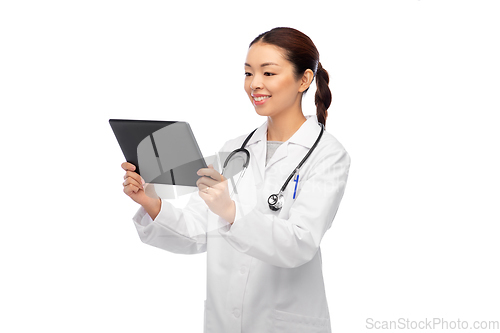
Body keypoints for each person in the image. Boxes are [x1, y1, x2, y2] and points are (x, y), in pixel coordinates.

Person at [121, 27, 351, 333]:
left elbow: (299, 243)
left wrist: (230, 210)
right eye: (248, 73)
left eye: (268, 73)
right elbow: (196, 234)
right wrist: (150, 203)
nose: (255, 84)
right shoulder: (232, 150)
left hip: (286, 324)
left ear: (304, 80)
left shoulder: (327, 154)